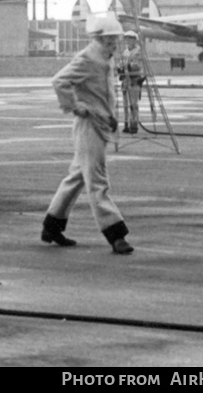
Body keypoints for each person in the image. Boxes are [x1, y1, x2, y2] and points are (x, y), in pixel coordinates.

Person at [42, 13, 133, 254]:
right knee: (97, 181)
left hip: (100, 123)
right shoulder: (88, 59)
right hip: (89, 126)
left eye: (116, 39)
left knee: (77, 177)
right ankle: (116, 234)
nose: (116, 43)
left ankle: (52, 225)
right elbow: (59, 81)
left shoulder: (105, 58)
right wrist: (74, 106)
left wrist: (110, 116)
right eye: (112, 39)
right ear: (101, 39)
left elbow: (102, 93)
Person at [118, 31, 145, 135]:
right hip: (125, 81)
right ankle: (126, 124)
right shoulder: (125, 52)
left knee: (133, 105)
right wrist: (120, 69)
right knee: (125, 105)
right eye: (126, 38)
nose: (127, 41)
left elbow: (136, 66)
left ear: (134, 40)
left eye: (130, 38)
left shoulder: (137, 52)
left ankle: (133, 125)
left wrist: (126, 67)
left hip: (134, 81)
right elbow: (121, 64)